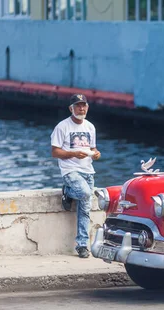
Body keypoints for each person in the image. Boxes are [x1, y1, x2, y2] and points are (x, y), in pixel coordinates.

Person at [50, 94, 101, 258]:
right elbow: (55, 152)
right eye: (78, 105)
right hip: (70, 170)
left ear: (87, 107)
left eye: (84, 105)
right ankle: (67, 192)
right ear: (71, 108)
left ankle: (82, 245)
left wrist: (96, 154)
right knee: (85, 194)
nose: (81, 108)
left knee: (85, 210)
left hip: (88, 171)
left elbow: (93, 149)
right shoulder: (62, 126)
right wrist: (73, 154)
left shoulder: (90, 127)